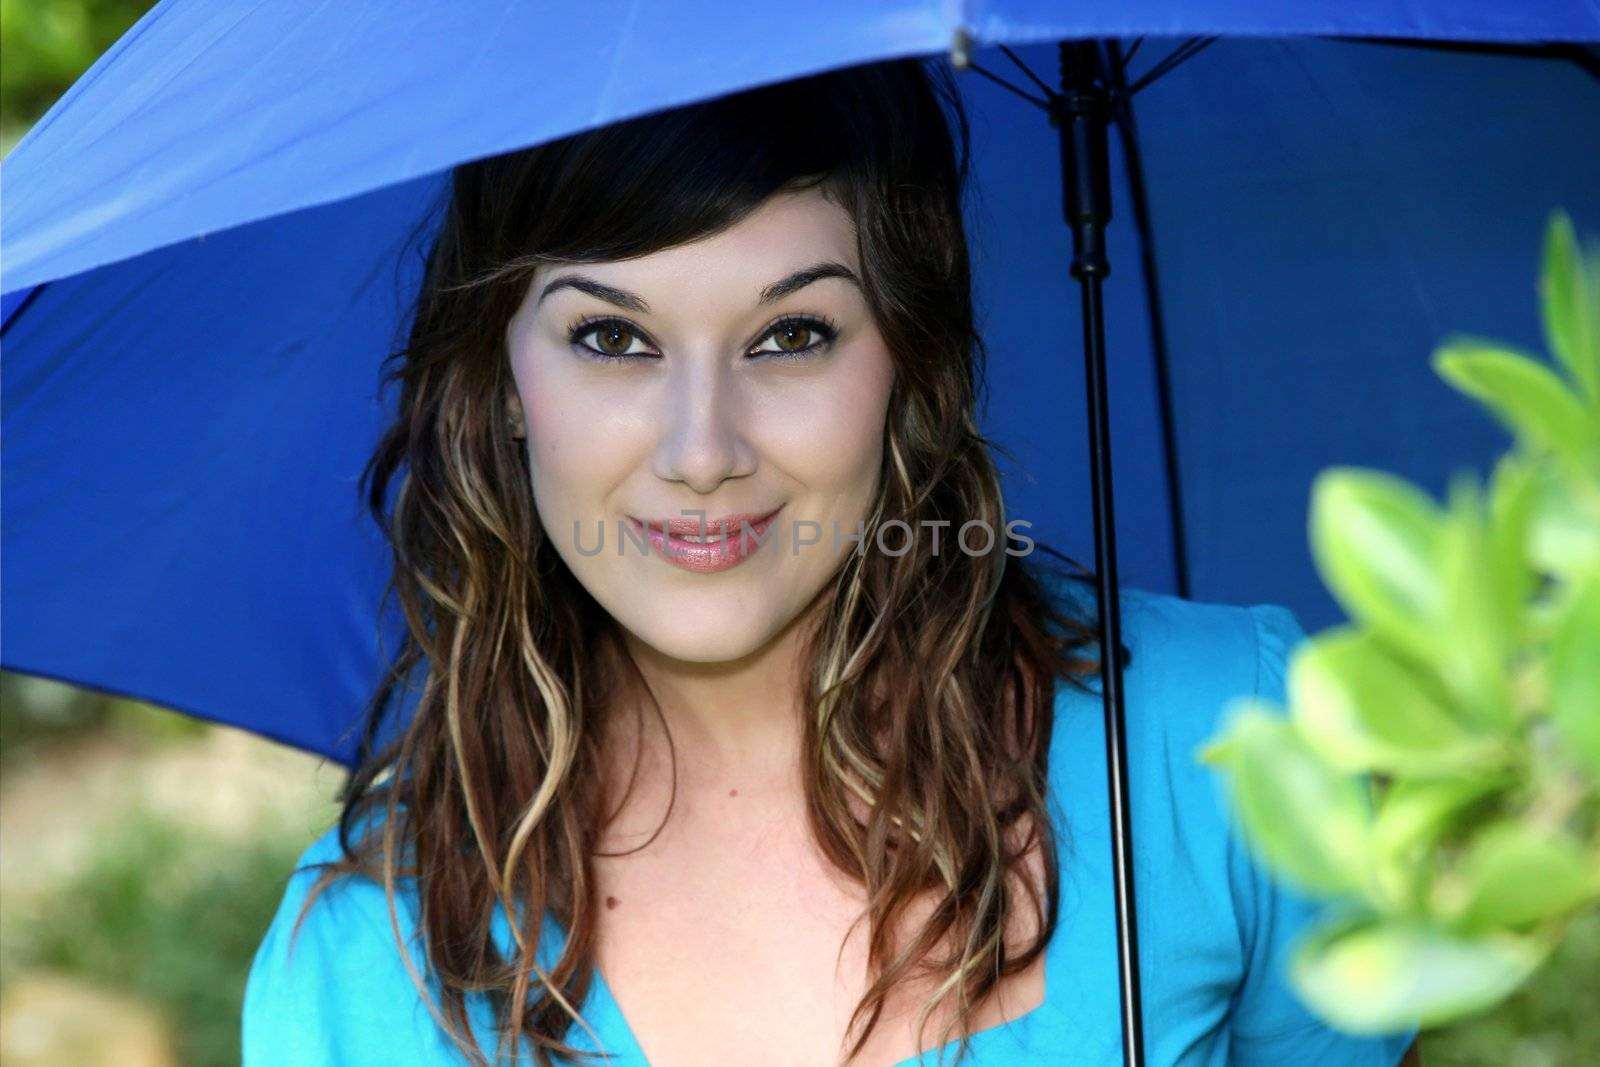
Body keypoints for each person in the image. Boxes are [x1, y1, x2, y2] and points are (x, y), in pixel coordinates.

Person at [241, 58, 1421, 1067]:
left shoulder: (1226, 742)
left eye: (790, 335)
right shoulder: (361, 966)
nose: (702, 451)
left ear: (907, 361)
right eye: (611, 337)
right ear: (498, 382)